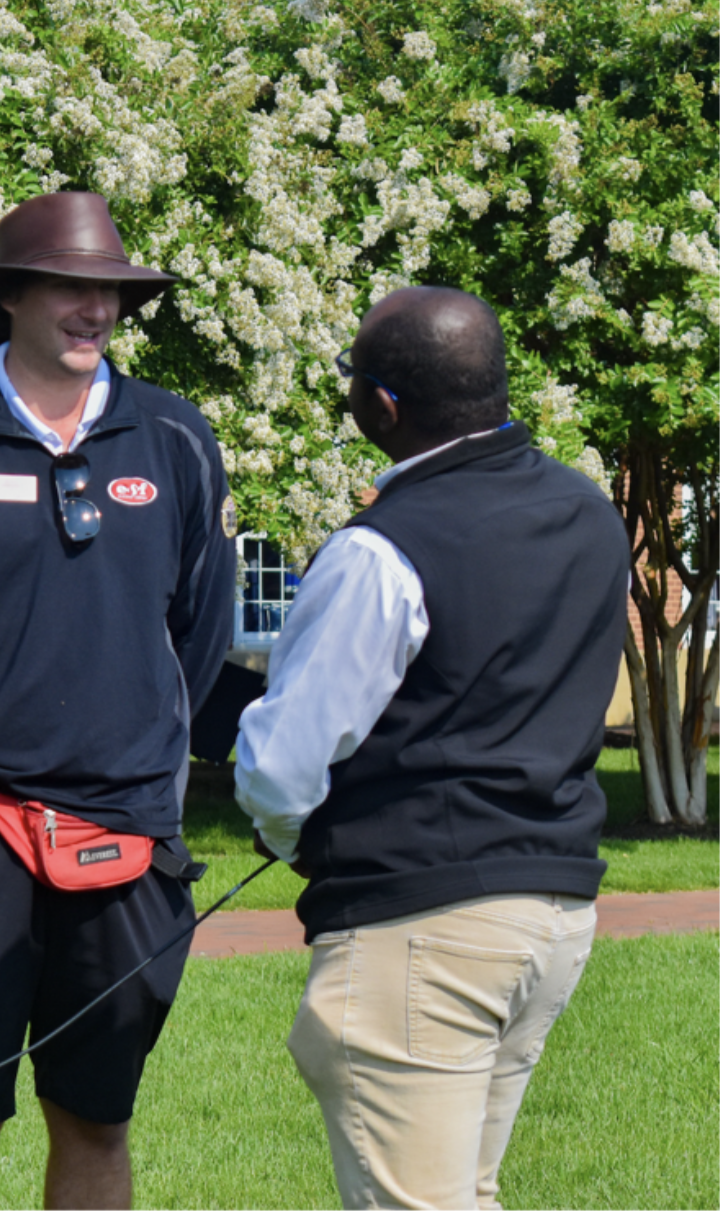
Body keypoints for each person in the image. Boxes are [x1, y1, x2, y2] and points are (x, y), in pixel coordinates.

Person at [0, 192, 236, 1211]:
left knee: (95, 1118)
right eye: (70, 286)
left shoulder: (174, 437)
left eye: (108, 291)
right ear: (9, 295)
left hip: (124, 836)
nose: (93, 309)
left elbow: (198, 632)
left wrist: (129, 743)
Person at [233, 286, 629, 1210]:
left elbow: (283, 763)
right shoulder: (586, 513)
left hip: (424, 933)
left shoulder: (381, 550)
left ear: (383, 405)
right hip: (553, 914)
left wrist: (294, 841)